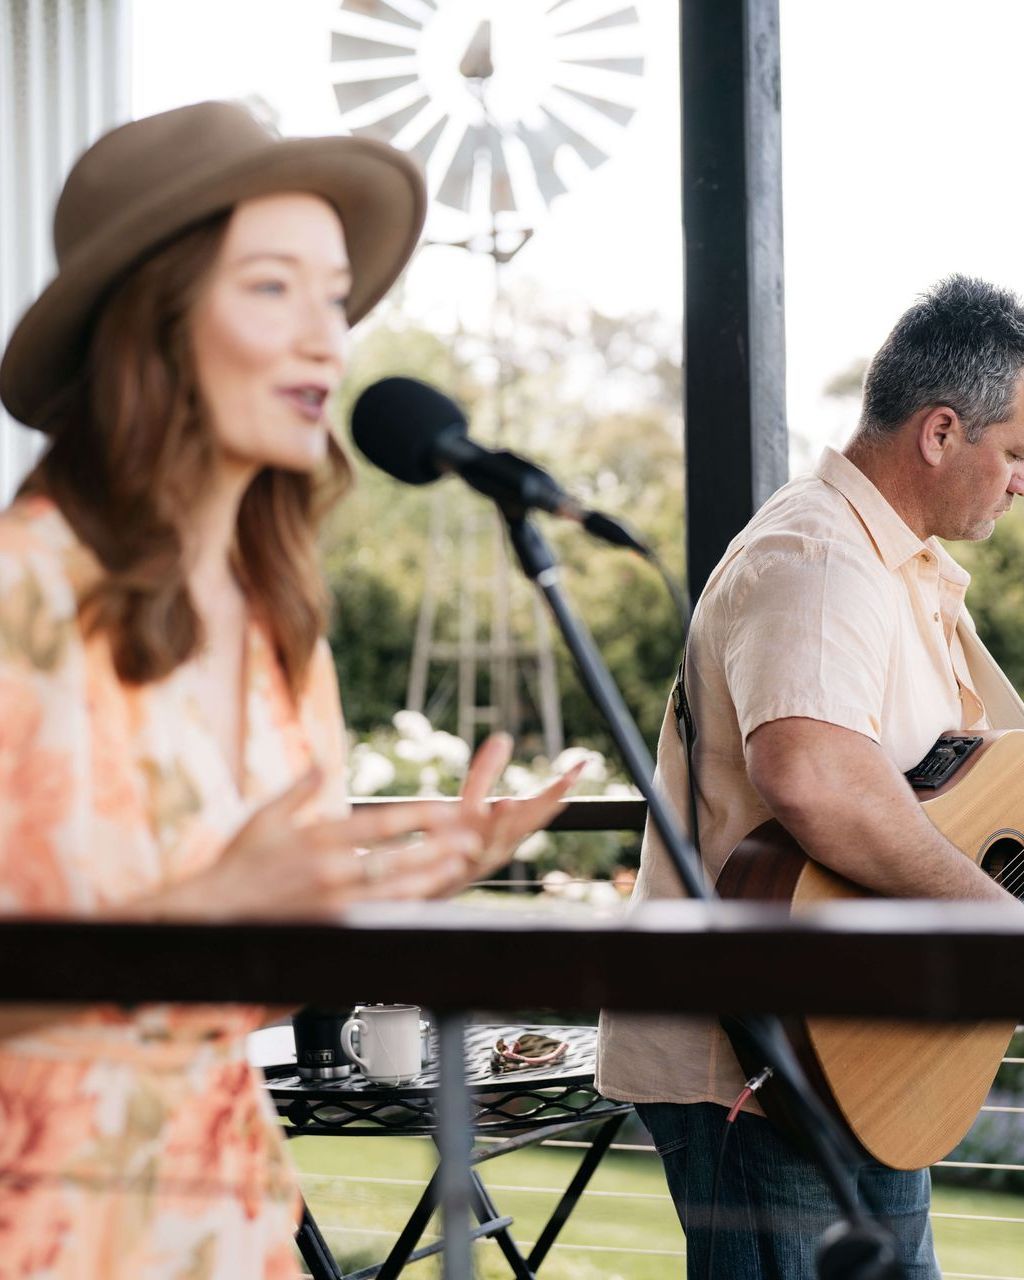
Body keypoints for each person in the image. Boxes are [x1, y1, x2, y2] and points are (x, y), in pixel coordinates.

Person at [0, 101, 581, 1278]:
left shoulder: (280, 625)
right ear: (150, 325)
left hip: (227, 1224)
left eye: (335, 296)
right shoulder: (21, 599)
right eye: (273, 287)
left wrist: (395, 887)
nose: (327, 337)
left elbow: (245, 955)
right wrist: (206, 912)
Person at [596, 275, 1024, 1279]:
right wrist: (996, 922)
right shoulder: (815, 557)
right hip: (762, 1067)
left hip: (860, 1047)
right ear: (940, 432)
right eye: (1019, 452)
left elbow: (986, 760)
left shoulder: (899, 563)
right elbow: (816, 779)